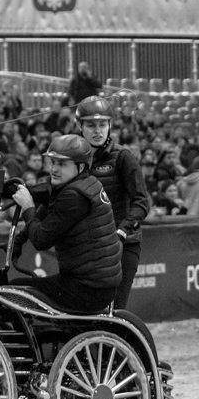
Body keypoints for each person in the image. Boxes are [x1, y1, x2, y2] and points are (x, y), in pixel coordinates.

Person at [7, 135, 123, 314]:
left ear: (81, 166)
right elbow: (45, 201)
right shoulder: (88, 183)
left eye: (62, 164)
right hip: (99, 285)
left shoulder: (73, 197)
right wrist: (19, 240)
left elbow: (41, 239)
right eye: (52, 162)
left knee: (14, 289)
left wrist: (27, 206)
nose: (54, 169)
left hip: (87, 290)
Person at [72, 97, 153, 310]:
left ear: (109, 126)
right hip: (88, 249)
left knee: (113, 311)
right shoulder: (74, 160)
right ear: (80, 126)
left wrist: (122, 231)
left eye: (102, 125)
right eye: (91, 125)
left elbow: (142, 203)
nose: (97, 131)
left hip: (122, 247)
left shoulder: (123, 157)